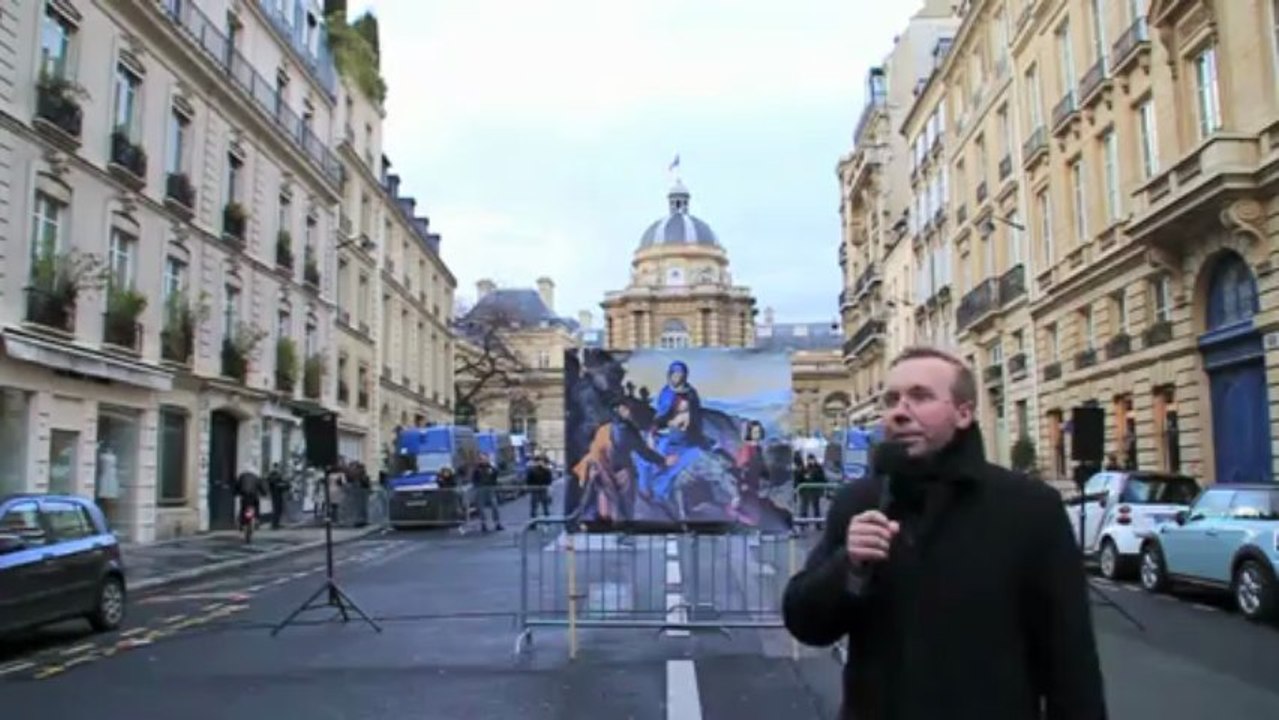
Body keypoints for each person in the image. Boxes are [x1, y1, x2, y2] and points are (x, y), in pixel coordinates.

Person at [782, 346, 1106, 720]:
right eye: (892, 400)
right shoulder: (860, 501)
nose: (900, 412)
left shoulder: (1031, 508)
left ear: (964, 412)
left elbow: (1071, 661)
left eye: (920, 397)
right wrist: (848, 567)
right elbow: (806, 623)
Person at [472, 453, 503, 532]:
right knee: (481, 508)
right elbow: (474, 479)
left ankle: (497, 523)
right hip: (480, 489)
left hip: (490, 489)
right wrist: (477, 486)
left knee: (494, 506)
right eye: (481, 459)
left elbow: (496, 476)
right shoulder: (477, 469)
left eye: (485, 458)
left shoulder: (491, 468)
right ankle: (484, 524)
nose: (483, 460)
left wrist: (493, 470)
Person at [266, 462, 288, 529]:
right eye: (277, 467)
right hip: (276, 494)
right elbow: (276, 483)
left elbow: (283, 483)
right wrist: (283, 485)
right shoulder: (275, 475)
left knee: (278, 509)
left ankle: (276, 523)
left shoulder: (274, 475)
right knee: (277, 509)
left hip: (277, 493)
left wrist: (285, 485)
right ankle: (275, 524)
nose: (278, 469)